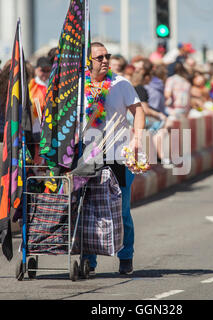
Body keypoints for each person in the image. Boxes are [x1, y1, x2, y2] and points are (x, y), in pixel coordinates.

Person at [83, 42, 145, 276]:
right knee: (87, 209)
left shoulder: (120, 83)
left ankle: (126, 257)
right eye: (99, 57)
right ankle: (89, 261)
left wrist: (137, 139)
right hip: (87, 155)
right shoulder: (79, 85)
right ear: (87, 61)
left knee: (121, 210)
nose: (105, 60)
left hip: (118, 156)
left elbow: (138, 111)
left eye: (107, 56)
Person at [29, 57, 51, 140]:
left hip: (49, 124)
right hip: (36, 124)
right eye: (42, 70)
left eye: (47, 71)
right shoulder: (32, 84)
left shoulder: (52, 84)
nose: (45, 73)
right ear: (36, 69)